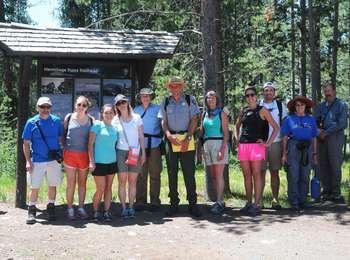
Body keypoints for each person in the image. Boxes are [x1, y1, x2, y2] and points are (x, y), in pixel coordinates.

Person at [160, 76, 201, 217]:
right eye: (172, 86)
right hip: (171, 139)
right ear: (169, 88)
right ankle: (173, 204)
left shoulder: (190, 99)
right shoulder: (165, 101)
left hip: (187, 138)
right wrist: (168, 135)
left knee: (189, 173)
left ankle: (193, 204)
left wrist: (188, 137)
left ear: (181, 87)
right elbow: (163, 122)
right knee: (172, 173)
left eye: (178, 85)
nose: (175, 88)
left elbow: (194, 119)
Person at [235, 87, 279, 216]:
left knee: (256, 175)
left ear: (256, 96)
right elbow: (237, 127)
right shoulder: (243, 111)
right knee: (246, 176)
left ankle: (257, 203)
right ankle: (248, 203)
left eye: (252, 95)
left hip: (257, 147)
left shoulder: (263, 110)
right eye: (247, 96)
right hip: (243, 146)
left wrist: (268, 143)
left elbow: (276, 128)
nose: (250, 97)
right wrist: (237, 141)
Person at [22, 97, 63, 224]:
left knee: (52, 185)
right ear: (37, 108)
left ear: (50, 108)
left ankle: (51, 207)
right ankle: (32, 210)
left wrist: (61, 155)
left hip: (53, 160)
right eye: (42, 107)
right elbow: (26, 143)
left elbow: (61, 139)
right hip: (37, 160)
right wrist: (28, 161)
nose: (45, 109)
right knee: (34, 186)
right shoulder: (31, 122)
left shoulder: (56, 121)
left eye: (47, 107)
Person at [281, 96, 318, 211]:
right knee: (293, 174)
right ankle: (294, 201)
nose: (300, 107)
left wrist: (315, 153)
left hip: (308, 148)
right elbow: (285, 138)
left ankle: (303, 200)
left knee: (305, 175)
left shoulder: (311, 119)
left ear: (306, 106)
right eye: (297, 105)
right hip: (293, 147)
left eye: (302, 105)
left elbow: (314, 137)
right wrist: (284, 154)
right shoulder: (289, 119)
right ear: (294, 107)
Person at [113, 94, 146, 219]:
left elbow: (141, 137)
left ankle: (131, 207)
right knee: (122, 182)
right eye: (119, 103)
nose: (122, 105)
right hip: (121, 152)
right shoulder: (115, 119)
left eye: (123, 102)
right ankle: (123, 208)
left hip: (135, 152)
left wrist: (143, 153)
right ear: (116, 106)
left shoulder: (137, 117)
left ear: (127, 103)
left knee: (132, 182)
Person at [314, 82, 348, 202]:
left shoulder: (342, 105)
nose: (327, 93)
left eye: (329, 90)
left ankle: (336, 192)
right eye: (325, 91)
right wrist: (319, 132)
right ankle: (326, 192)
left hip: (335, 138)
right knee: (323, 165)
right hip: (321, 139)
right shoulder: (321, 106)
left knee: (335, 164)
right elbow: (314, 121)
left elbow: (342, 123)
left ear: (334, 91)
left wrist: (326, 132)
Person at [63, 96, 93, 220]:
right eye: (79, 104)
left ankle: (80, 207)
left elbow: (92, 140)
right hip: (70, 154)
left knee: (82, 184)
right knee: (71, 184)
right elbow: (63, 135)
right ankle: (70, 208)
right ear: (75, 105)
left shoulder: (91, 120)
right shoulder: (68, 118)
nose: (81, 107)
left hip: (84, 155)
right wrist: (63, 149)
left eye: (83, 105)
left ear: (87, 107)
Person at [259, 82, 288, 209]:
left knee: (274, 172)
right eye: (266, 90)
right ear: (263, 92)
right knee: (260, 172)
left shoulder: (281, 106)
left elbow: (285, 125)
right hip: (260, 144)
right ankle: (258, 200)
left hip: (276, 142)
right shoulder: (258, 105)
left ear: (274, 92)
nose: (268, 92)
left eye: (271, 90)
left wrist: (284, 146)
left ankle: (275, 199)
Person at [200, 90, 229, 215]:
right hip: (207, 145)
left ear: (217, 99)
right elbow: (202, 132)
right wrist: (199, 148)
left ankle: (219, 201)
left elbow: (226, 133)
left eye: (213, 98)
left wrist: (222, 148)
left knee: (218, 175)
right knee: (212, 176)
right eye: (208, 98)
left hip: (219, 144)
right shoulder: (204, 114)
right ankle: (218, 200)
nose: (210, 100)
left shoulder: (222, 113)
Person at [134, 88, 163, 212]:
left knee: (155, 173)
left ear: (151, 97)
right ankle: (140, 201)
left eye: (148, 96)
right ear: (140, 98)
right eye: (143, 96)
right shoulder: (135, 110)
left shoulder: (157, 109)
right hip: (140, 145)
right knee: (140, 174)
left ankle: (155, 201)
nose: (145, 98)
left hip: (155, 144)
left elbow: (163, 124)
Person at [88, 104, 118, 222]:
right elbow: (90, 145)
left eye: (111, 112)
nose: (108, 115)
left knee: (108, 188)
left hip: (112, 161)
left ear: (114, 114)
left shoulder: (114, 128)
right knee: (100, 189)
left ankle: (106, 211)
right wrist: (91, 161)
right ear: (102, 114)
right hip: (99, 162)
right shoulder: (97, 125)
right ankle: (95, 212)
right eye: (106, 112)